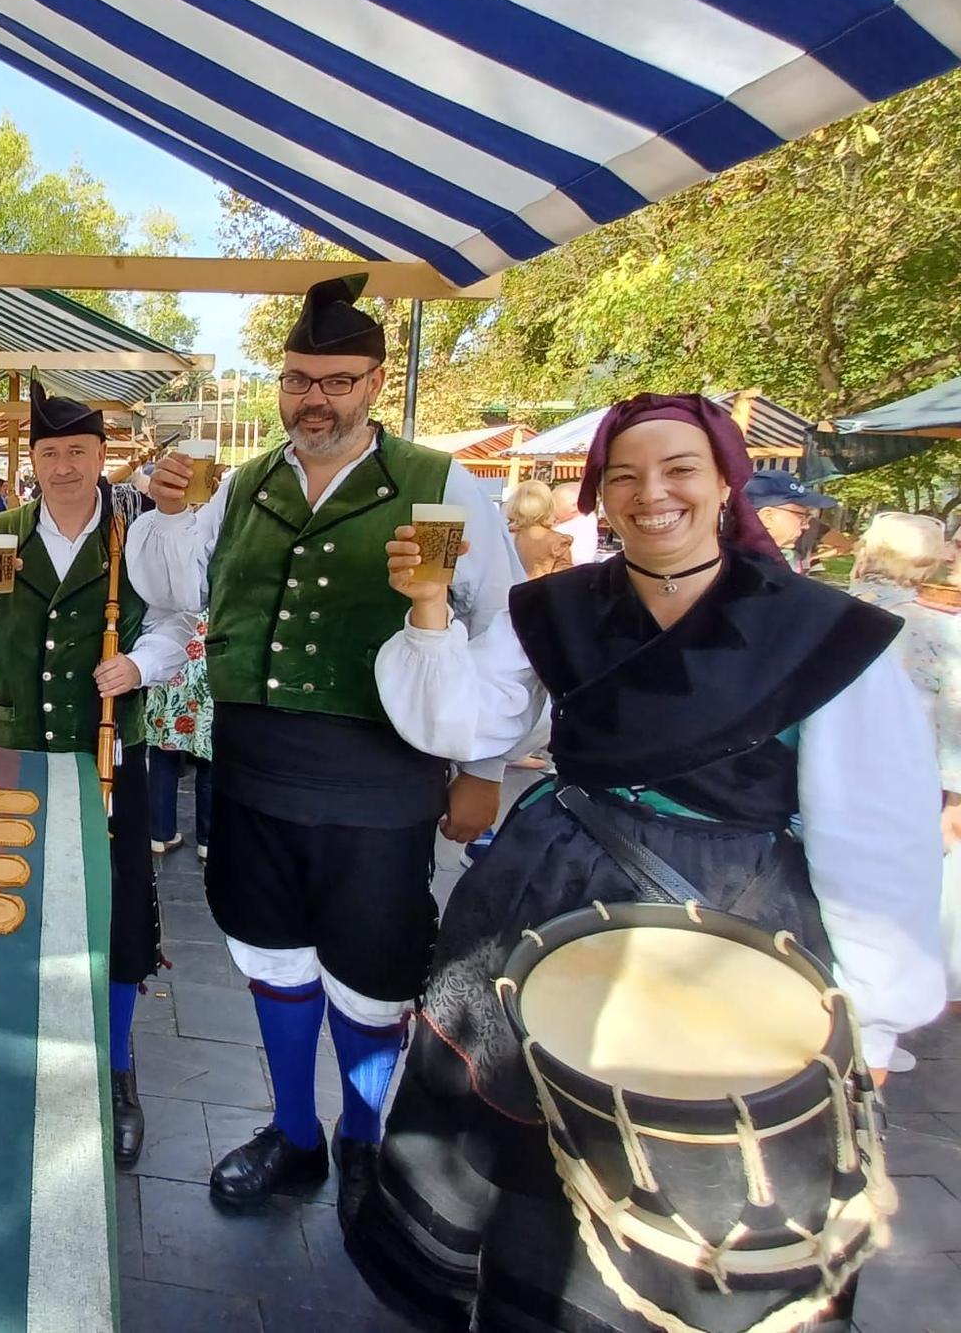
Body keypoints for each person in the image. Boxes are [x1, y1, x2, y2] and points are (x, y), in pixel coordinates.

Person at [358, 394, 943, 1333]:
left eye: (678, 470)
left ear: (723, 484)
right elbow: (464, 726)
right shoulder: (554, 610)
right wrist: (431, 611)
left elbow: (875, 840)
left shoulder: (819, 633)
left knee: (696, 1177)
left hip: (733, 923)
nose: (649, 493)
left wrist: (872, 1024)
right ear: (598, 496)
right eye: (623, 475)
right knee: (519, 1156)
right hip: (544, 900)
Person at [128, 274, 519, 1216]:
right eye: (299, 378)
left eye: (338, 380)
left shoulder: (440, 483)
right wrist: (172, 510)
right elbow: (180, 595)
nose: (316, 399)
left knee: (373, 971)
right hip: (253, 771)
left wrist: (486, 769)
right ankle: (294, 1134)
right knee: (270, 953)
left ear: (376, 382)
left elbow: (503, 630)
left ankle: (365, 1139)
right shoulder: (247, 485)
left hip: (378, 780)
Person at [0, 381, 190, 1167]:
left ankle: (115, 1071)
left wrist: (139, 663)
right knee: (13, 901)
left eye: (79, 451)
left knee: (114, 918)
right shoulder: (0, 533)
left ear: (103, 455)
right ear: (33, 460)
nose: (66, 467)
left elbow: (182, 622)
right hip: (18, 752)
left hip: (110, 754)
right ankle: (15, 1056)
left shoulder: (138, 533)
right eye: (51, 454)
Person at [847, 512, 961, 1022]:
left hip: (822, 780)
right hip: (906, 787)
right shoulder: (940, 628)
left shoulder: (826, 610)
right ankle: (876, 1025)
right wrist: (955, 796)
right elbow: (954, 719)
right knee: (891, 905)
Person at [144, 613, 213, 863]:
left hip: (171, 655)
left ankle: (160, 834)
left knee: (163, 754)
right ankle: (207, 841)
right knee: (208, 759)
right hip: (210, 663)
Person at [745, 468, 839, 574]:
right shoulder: (738, 567)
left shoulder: (758, 561)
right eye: (802, 516)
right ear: (768, 517)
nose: (806, 526)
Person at [504, 479, 572, 579]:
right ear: (548, 506)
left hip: (503, 592)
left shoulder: (501, 536)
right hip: (538, 593)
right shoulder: (557, 542)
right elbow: (564, 581)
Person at [551, 480, 600, 564]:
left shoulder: (577, 524)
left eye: (554, 506)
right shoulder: (589, 519)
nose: (551, 512)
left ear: (574, 507)